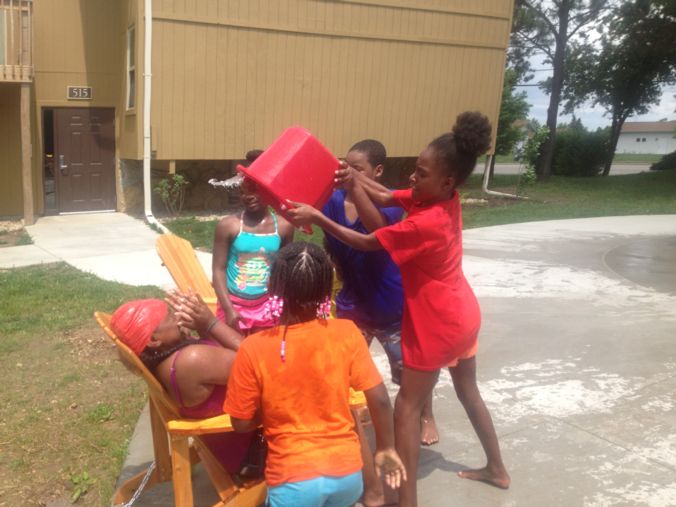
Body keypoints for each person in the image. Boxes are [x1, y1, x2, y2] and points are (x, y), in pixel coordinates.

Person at [286, 112, 511, 506]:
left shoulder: (428, 223)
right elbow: (387, 196)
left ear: (446, 181)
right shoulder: (440, 197)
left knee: (405, 412)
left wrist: (318, 216)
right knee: (468, 390)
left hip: (436, 323)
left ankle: (402, 501)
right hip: (463, 314)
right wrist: (354, 180)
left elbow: (370, 241)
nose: (412, 178)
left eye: (420, 173)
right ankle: (497, 468)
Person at [223, 242, 406, 507]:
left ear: (274, 287)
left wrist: (273, 407)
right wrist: (386, 448)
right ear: (325, 291)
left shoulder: (254, 348)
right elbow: (379, 400)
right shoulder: (347, 332)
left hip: (292, 480)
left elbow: (240, 423)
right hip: (347, 475)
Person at [323, 139, 438, 504]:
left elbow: (378, 236)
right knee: (341, 375)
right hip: (354, 304)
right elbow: (325, 236)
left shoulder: (390, 202)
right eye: (347, 166)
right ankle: (347, 437)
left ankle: (426, 416)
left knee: (409, 377)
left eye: (358, 169)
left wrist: (356, 188)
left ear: (377, 172)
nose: (349, 173)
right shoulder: (332, 201)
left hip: (390, 304)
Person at [109, 291, 254, 474]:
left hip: (230, 448)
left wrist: (202, 328)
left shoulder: (168, 363)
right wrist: (210, 323)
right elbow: (258, 362)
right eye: (170, 317)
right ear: (154, 340)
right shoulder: (191, 360)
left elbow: (216, 354)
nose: (178, 318)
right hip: (254, 450)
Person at [212, 150, 295, 334]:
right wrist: (228, 309)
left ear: (268, 188)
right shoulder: (229, 226)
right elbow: (218, 270)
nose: (248, 197)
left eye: (255, 190)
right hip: (233, 304)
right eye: (243, 192)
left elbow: (284, 270)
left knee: (262, 357)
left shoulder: (283, 227)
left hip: (266, 307)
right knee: (233, 357)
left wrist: (283, 305)